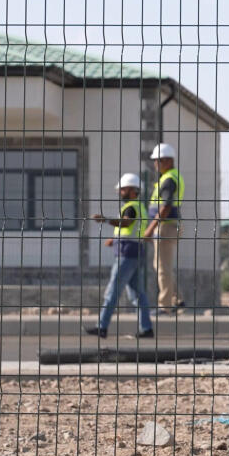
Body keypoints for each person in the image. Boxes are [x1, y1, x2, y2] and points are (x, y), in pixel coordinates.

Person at [86, 173, 154, 339]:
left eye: (123, 189)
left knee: (113, 290)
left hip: (127, 254)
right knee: (137, 294)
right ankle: (146, 329)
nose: (120, 192)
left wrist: (105, 220)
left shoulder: (131, 207)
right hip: (135, 252)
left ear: (133, 190)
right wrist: (114, 239)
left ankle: (101, 327)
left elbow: (127, 223)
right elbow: (131, 229)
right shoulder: (139, 207)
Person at [143, 143, 185, 313]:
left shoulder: (168, 180)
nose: (155, 164)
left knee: (163, 268)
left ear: (167, 160)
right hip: (167, 226)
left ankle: (165, 306)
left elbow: (165, 207)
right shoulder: (169, 177)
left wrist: (150, 228)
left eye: (157, 160)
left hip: (165, 226)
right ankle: (178, 299)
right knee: (161, 266)